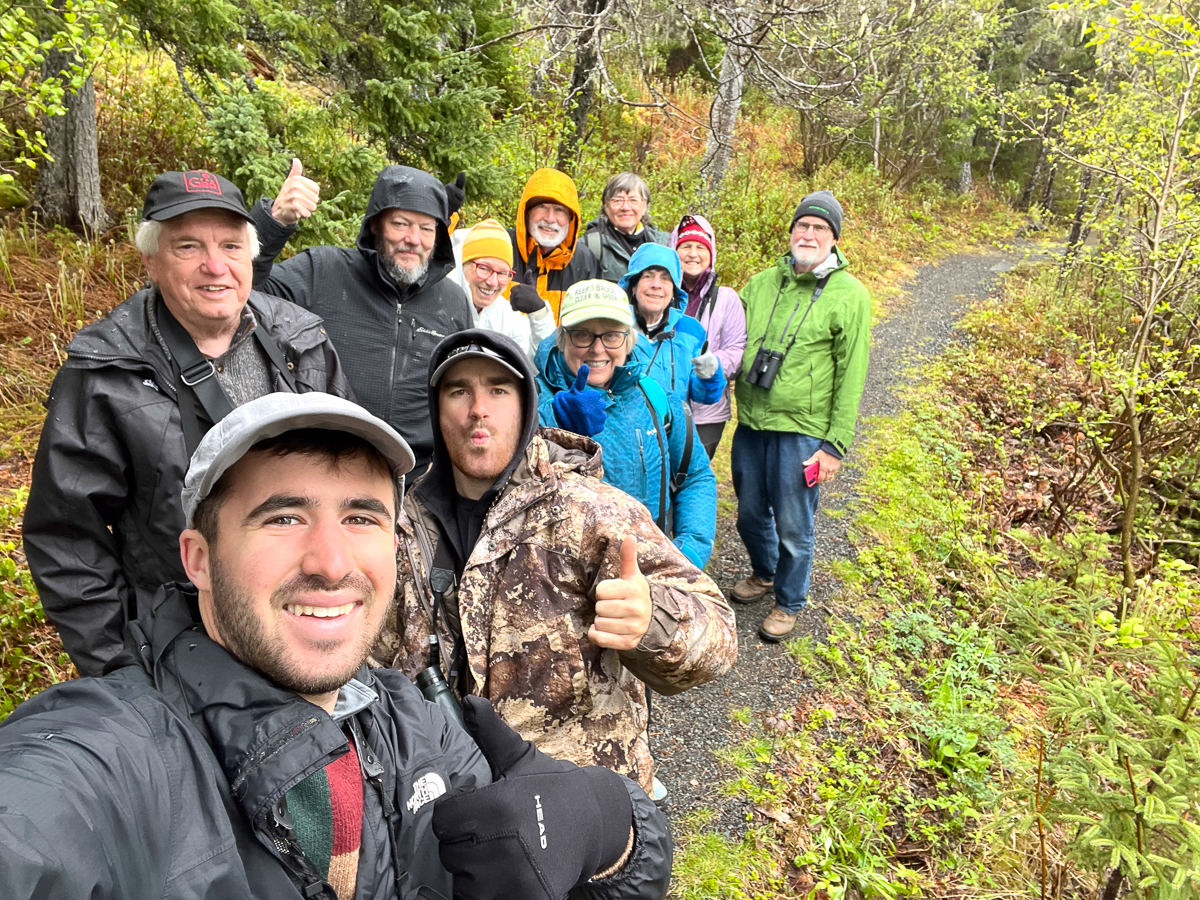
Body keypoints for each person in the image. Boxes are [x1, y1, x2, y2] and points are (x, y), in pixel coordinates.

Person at [0, 392, 673, 900]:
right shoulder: (110, 758)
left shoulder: (417, 719)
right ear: (198, 559)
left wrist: (614, 830)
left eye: (360, 517)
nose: (330, 561)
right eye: (284, 516)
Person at [375, 328, 735, 795]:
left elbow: (719, 631)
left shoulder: (592, 512)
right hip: (439, 808)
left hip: (581, 812)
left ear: (526, 407)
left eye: (498, 390)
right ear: (436, 409)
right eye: (459, 390)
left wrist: (653, 621)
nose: (478, 408)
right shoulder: (398, 523)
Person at [22, 170, 352, 677]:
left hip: (300, 623)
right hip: (177, 647)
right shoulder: (107, 371)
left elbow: (347, 478)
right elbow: (66, 537)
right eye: (188, 247)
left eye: (231, 246)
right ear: (151, 260)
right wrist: (121, 668)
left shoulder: (302, 340)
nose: (215, 265)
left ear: (251, 255)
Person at [249, 162, 473, 474]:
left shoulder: (453, 302)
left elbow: (465, 387)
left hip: (417, 482)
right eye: (400, 223)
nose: (414, 239)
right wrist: (273, 222)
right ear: (374, 225)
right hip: (323, 464)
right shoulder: (323, 271)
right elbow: (243, 290)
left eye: (426, 228)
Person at [731, 190, 871, 642]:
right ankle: (764, 572)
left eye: (820, 229)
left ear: (834, 240)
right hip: (752, 422)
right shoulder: (761, 283)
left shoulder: (850, 296)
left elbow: (852, 375)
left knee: (794, 524)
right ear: (791, 232)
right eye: (803, 226)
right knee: (750, 514)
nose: (809, 234)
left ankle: (789, 601)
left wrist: (835, 445)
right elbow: (730, 333)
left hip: (803, 433)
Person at [535, 282, 720, 571]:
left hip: (649, 572)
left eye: (611, 335)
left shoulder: (656, 399)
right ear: (562, 338)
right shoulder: (528, 401)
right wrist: (553, 424)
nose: (597, 349)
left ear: (628, 339)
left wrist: (689, 552)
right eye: (582, 335)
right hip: (560, 580)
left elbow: (695, 476)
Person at [668, 214, 747, 459]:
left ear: (711, 253)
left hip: (708, 414)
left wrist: (706, 367)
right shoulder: (659, 292)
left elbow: (736, 349)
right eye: (686, 246)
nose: (693, 253)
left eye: (701, 247)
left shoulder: (726, 298)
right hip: (663, 408)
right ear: (673, 251)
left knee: (693, 479)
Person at [618, 242, 725, 410]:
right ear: (633, 286)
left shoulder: (691, 330)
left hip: (674, 433)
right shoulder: (614, 327)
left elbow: (704, 397)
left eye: (665, 278)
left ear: (674, 290)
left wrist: (710, 376)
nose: (656, 284)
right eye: (647, 276)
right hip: (626, 432)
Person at [451, 218, 556, 363]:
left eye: (502, 273)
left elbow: (541, 367)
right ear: (462, 265)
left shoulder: (508, 318)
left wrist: (539, 314)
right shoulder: (438, 304)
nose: (492, 282)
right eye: (483, 268)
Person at [507, 167, 600, 320]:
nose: (550, 218)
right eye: (542, 207)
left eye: (559, 210)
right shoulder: (503, 247)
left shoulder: (585, 262)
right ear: (527, 211)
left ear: (571, 218)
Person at [583, 173, 669, 283]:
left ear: (644, 206)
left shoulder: (663, 244)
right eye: (618, 200)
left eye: (633, 200)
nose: (625, 207)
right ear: (606, 206)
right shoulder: (589, 246)